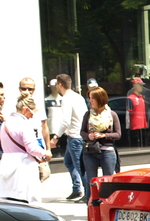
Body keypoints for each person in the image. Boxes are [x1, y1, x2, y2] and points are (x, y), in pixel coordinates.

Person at [0, 92, 52, 204]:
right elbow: (31, 148)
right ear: (25, 109)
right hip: (24, 166)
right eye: (32, 112)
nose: (32, 116)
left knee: (8, 202)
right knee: (29, 202)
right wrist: (46, 153)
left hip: (6, 164)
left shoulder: (5, 124)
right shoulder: (24, 124)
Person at [51, 73, 89, 202]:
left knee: (79, 166)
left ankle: (88, 193)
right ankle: (77, 188)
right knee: (69, 161)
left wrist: (56, 136)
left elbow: (65, 121)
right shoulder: (78, 96)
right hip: (77, 136)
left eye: (57, 84)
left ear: (60, 85)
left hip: (74, 137)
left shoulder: (66, 99)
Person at [81, 87, 121, 196]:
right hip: (90, 151)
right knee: (91, 180)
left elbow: (118, 134)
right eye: (89, 98)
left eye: (93, 98)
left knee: (107, 180)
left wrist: (103, 135)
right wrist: (89, 135)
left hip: (107, 151)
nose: (90, 101)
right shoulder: (88, 115)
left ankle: (106, 203)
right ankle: (91, 205)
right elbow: (82, 132)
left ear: (101, 98)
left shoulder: (112, 115)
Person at [19, 78, 50, 152]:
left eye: (30, 89)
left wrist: (48, 149)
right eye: (24, 88)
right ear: (19, 89)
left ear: (34, 90)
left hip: (37, 143)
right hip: (21, 145)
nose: (27, 91)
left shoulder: (39, 105)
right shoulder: (15, 105)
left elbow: (44, 128)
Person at [126, 77, 150, 147]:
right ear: (135, 85)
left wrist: (149, 121)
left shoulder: (143, 96)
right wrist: (128, 124)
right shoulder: (130, 96)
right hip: (135, 124)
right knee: (136, 140)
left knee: (143, 139)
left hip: (144, 123)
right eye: (139, 85)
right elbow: (128, 112)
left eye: (142, 85)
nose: (142, 87)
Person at [45, 79, 64, 157]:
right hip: (51, 128)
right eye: (53, 87)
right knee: (54, 152)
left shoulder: (63, 100)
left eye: (56, 86)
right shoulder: (46, 101)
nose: (55, 88)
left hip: (63, 130)